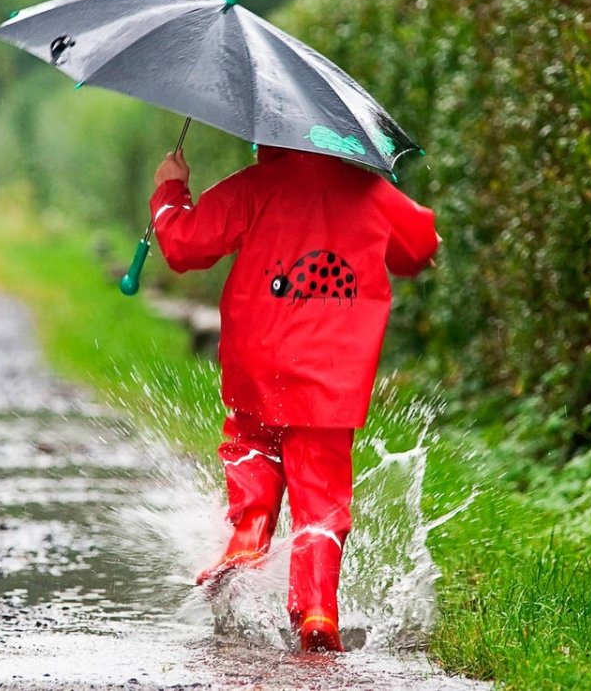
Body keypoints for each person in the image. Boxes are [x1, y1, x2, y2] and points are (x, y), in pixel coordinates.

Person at [149, 143, 439, 653]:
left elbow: (184, 246)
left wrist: (170, 191)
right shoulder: (369, 192)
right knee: (323, 497)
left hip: (260, 361)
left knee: (251, 441)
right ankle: (319, 610)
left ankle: (250, 529)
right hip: (333, 378)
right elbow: (417, 247)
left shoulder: (254, 187)